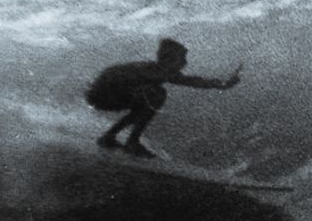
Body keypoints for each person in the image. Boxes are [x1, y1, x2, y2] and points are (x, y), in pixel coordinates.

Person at [85, 38, 241, 158]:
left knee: (148, 97)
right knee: (157, 94)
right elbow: (188, 81)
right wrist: (222, 84)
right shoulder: (154, 71)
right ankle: (130, 142)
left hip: (102, 94)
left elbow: (189, 80)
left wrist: (222, 84)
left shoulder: (155, 69)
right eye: (182, 58)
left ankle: (110, 137)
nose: (185, 63)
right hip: (102, 95)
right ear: (169, 59)